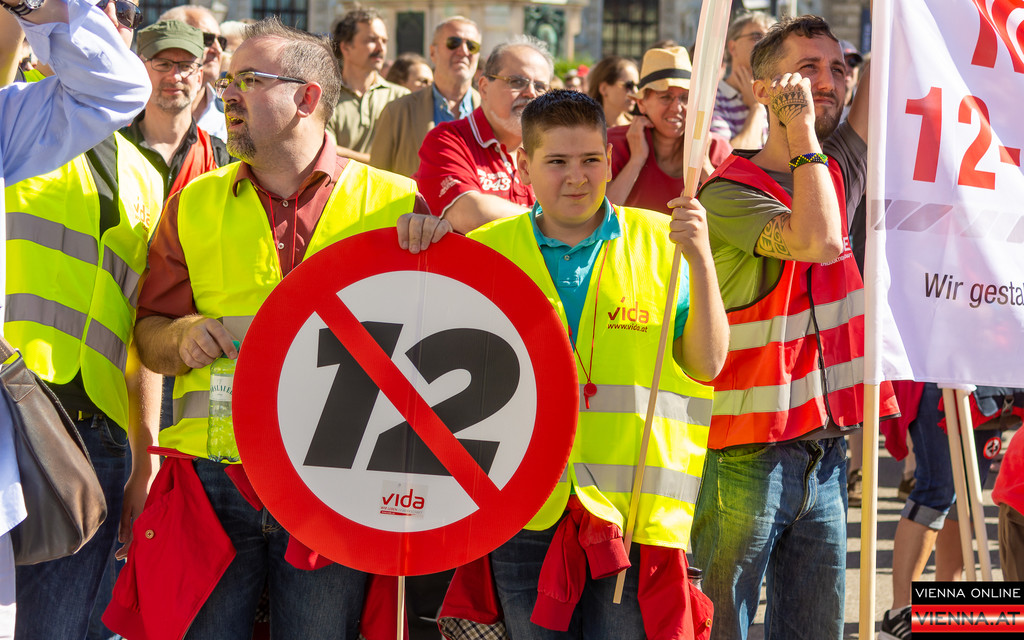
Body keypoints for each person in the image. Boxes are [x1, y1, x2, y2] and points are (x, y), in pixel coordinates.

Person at [109, 18, 430, 638]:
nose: (226, 93)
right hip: (214, 482)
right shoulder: (193, 202)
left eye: (248, 80)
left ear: (307, 97)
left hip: (340, 483)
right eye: (227, 80)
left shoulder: (399, 206)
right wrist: (179, 337)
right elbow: (149, 334)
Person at [399, 89, 727, 639]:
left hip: (631, 517)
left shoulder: (662, 242)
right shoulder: (485, 252)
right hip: (522, 509)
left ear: (610, 158)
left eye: (590, 159)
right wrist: (422, 242)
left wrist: (701, 259)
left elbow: (708, 364)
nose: (577, 178)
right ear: (524, 165)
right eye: (556, 162)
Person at [686, 16, 897, 640]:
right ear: (761, 89)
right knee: (720, 629)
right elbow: (818, 240)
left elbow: (891, 55)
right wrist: (801, 128)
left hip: (824, 454)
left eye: (837, 69)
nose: (827, 83)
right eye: (808, 69)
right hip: (744, 456)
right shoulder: (727, 193)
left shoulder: (834, 172)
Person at [0, 0, 150, 634]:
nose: (108, 15)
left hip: (97, 435)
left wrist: (143, 454)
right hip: (19, 410)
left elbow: (139, 323)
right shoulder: (17, 118)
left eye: (125, 10)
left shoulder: (146, 173)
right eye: (93, 3)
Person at [414, 35, 553, 233]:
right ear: (484, 88)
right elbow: (469, 213)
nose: (531, 93)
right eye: (517, 82)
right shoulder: (447, 140)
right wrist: (556, 224)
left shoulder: (554, 147)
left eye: (540, 86)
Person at [607, 46, 731, 214]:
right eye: (665, 97)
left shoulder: (715, 148)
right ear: (641, 103)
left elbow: (732, 215)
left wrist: (703, 164)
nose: (677, 108)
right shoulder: (614, 144)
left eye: (685, 98)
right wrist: (636, 160)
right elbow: (601, 216)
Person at [120, 19, 231, 198]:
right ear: (141, 70)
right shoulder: (113, 148)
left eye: (186, 66)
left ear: (199, 77)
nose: (175, 76)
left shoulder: (222, 159)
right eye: (163, 64)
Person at [370, 16, 481, 177]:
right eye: (453, 43)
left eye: (472, 46)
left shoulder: (492, 112)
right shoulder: (397, 112)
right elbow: (377, 178)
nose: (464, 51)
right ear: (432, 52)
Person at [327, 8, 408, 163]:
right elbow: (326, 154)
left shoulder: (402, 97)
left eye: (384, 41)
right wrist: (381, 161)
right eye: (371, 40)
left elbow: (405, 157)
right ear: (346, 47)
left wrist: (341, 152)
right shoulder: (324, 97)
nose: (381, 48)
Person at [159, 4, 227, 143]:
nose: (218, 49)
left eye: (221, 41)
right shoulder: (133, 114)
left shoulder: (230, 116)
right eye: (206, 39)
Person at [709, 12, 774, 149]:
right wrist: (756, 108)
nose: (766, 44)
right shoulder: (712, 99)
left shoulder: (776, 97)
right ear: (732, 47)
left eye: (772, 39)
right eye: (757, 37)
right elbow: (726, 158)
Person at [585, 55, 639, 128]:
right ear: (604, 89)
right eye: (629, 85)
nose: (636, 92)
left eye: (637, 86)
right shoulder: (584, 128)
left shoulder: (639, 128)